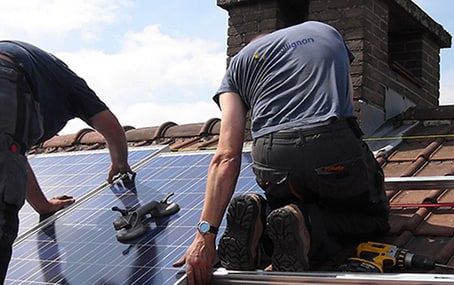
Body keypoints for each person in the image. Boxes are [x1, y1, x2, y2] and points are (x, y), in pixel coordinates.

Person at [173, 21, 390, 284]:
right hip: (331, 142)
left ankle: (260, 217)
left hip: (272, 158)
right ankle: (306, 225)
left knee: (285, 205)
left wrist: (205, 236)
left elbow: (226, 155)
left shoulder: (237, 66)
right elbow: (348, 107)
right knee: (373, 217)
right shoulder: (325, 31)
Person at [0, 40, 133, 283]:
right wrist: (120, 163)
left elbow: (13, 158)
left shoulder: (38, 77)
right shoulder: (70, 84)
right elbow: (112, 129)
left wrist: (42, 206)